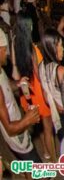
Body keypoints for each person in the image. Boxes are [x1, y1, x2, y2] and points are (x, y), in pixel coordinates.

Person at [0, 28, 42, 163]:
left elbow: (6, 86)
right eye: (4, 50)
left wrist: (18, 83)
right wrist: (28, 119)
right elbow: (10, 129)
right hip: (16, 136)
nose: (6, 53)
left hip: (18, 124)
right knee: (37, 167)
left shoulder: (0, 70)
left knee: (26, 165)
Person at [38, 29, 64, 143]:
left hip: (57, 116)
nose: (63, 49)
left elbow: (45, 97)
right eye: (60, 45)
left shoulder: (41, 67)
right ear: (53, 47)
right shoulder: (60, 71)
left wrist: (55, 104)